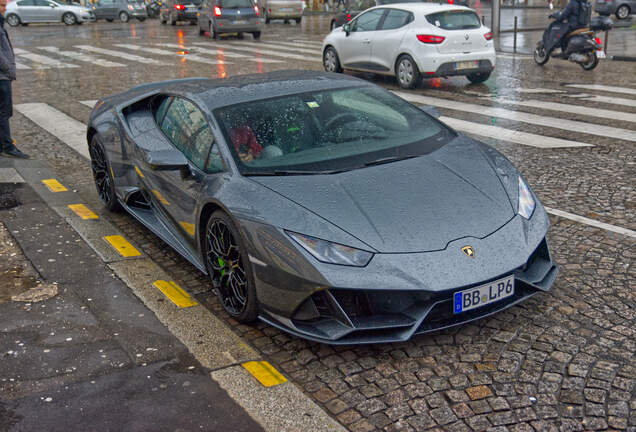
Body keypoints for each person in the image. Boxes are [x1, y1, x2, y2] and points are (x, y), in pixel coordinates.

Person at [0, 0, 29, 159]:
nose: (4, 9)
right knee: (4, 112)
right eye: (1, 5)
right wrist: (9, 69)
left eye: (5, 5)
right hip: (2, 76)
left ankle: (2, 145)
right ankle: (7, 147)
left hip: (3, 75)